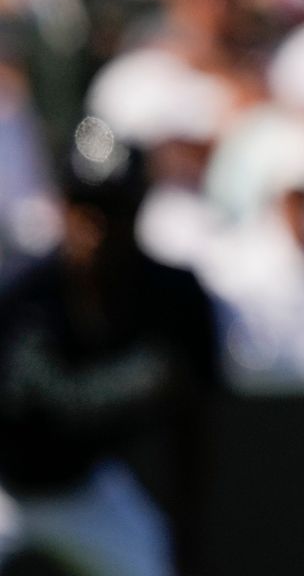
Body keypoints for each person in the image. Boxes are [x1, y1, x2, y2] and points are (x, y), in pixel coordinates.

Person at [0, 118, 222, 576]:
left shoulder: (173, 295)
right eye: (86, 207)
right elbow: (52, 400)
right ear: (62, 207)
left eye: (114, 209)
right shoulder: (25, 295)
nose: (99, 228)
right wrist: (141, 379)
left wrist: (189, 532)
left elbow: (194, 425)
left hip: (86, 486)